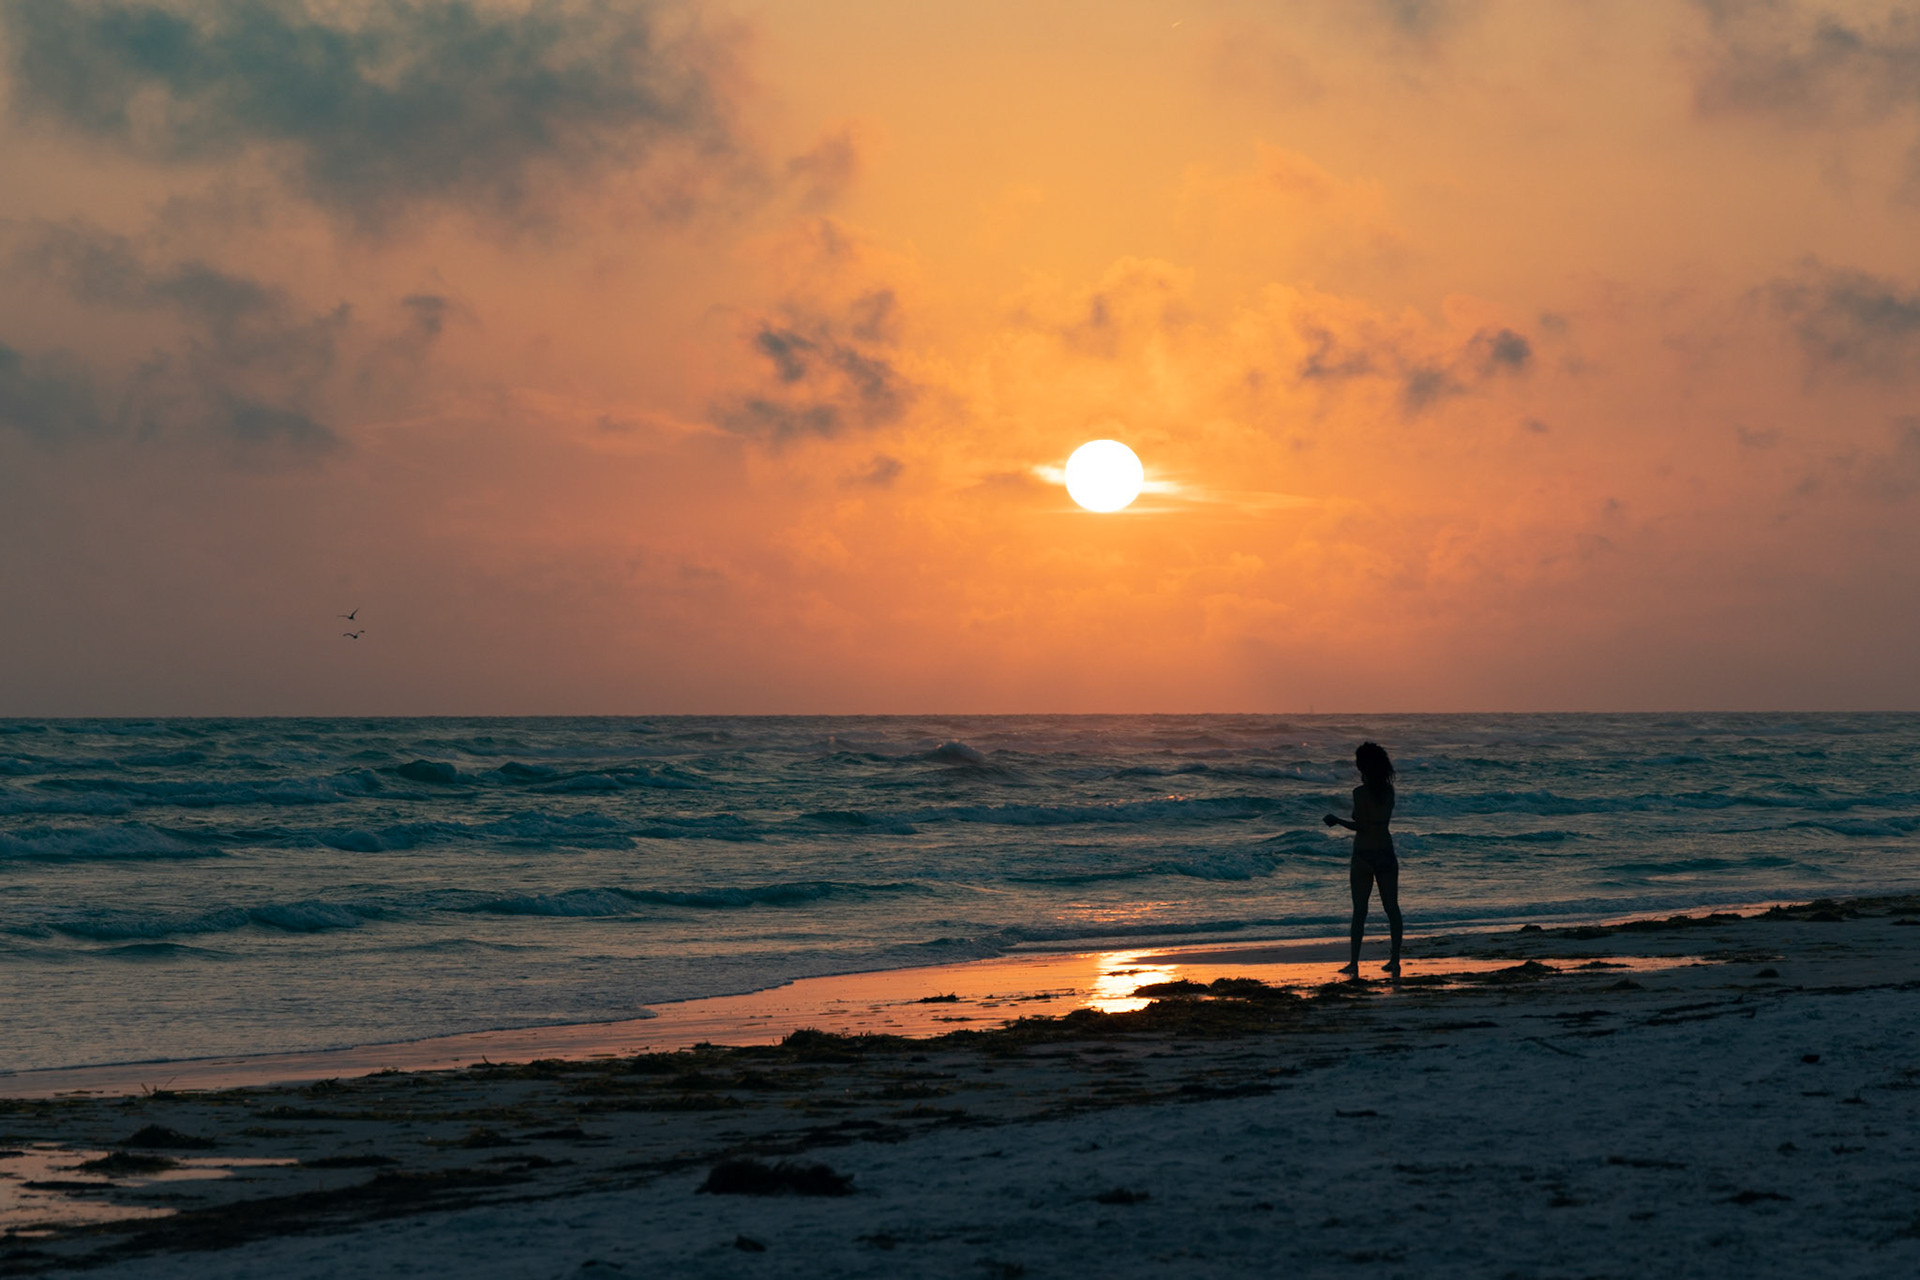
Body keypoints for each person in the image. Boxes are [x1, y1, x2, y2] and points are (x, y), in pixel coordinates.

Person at [1323, 741, 1403, 978]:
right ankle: (1395, 960)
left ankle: (1354, 963)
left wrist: (1337, 820)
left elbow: (1361, 826)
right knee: (1392, 909)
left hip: (1363, 855)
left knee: (1360, 911)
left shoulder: (1359, 793)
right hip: (1386, 852)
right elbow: (1377, 821)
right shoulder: (1389, 792)